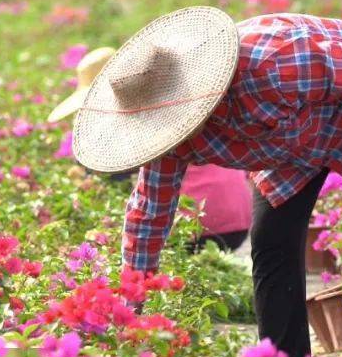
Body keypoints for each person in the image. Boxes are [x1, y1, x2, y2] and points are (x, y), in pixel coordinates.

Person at [71, 7, 342, 357]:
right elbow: (149, 213)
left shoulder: (273, 65)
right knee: (271, 244)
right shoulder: (170, 132)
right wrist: (134, 294)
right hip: (293, 138)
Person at [49, 46, 251, 253]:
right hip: (240, 220)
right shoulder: (178, 105)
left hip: (198, 229)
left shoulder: (133, 127)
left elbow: (114, 185)